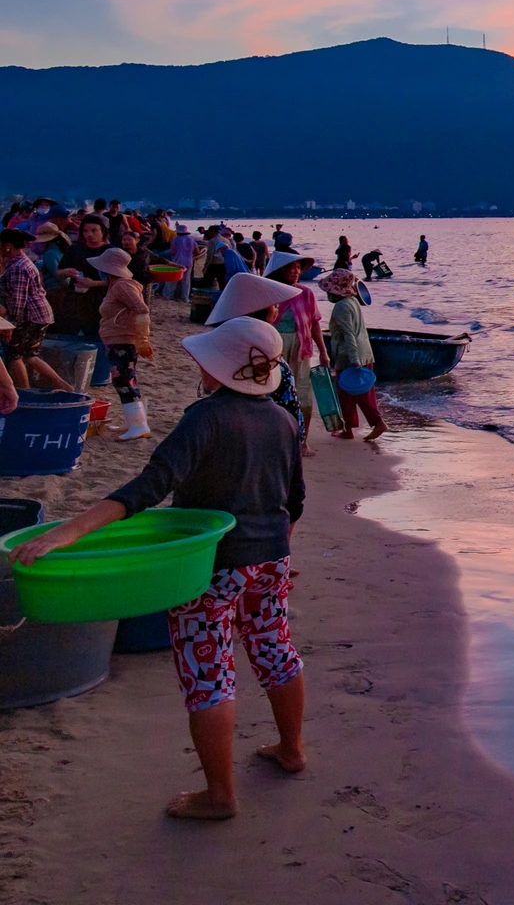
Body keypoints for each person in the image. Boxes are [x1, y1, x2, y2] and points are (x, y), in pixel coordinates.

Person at [10, 316, 306, 821]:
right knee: (274, 645)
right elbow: (293, 500)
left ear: (218, 368)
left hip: (211, 564)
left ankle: (219, 796)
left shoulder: (206, 418)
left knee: (208, 671)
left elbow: (149, 487)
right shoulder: (282, 419)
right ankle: (292, 749)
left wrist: (66, 531)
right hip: (270, 558)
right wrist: (276, 556)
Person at [206, 274, 311, 445]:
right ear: (259, 310)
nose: (277, 310)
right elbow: (290, 406)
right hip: (266, 435)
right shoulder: (271, 357)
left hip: (231, 432)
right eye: (275, 306)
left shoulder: (225, 348)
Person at [265, 252, 328, 455]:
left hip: (302, 346)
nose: (296, 271)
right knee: (274, 392)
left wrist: (323, 352)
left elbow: (315, 324)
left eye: (299, 268)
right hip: (275, 345)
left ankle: (302, 441)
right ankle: (273, 439)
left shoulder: (306, 293)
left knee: (303, 394)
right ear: (280, 270)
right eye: (291, 267)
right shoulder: (270, 292)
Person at [318, 269, 385, 441]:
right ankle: (352, 427)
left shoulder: (340, 307)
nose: (328, 294)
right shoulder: (352, 301)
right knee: (362, 392)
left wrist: (354, 360)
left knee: (347, 394)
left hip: (350, 356)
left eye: (329, 291)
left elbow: (349, 335)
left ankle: (367, 425)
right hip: (365, 352)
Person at [94, 247, 154, 441]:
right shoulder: (117, 285)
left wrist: (142, 339)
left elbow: (141, 308)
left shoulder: (122, 286)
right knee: (124, 380)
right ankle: (133, 422)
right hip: (117, 341)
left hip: (123, 341)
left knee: (124, 380)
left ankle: (139, 425)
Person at [0, 228, 68, 391]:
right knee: (30, 356)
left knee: (13, 356)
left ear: (8, 246)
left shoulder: (18, 266)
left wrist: (9, 325)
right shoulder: (18, 262)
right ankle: (62, 384)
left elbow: (18, 300)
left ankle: (24, 391)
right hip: (39, 314)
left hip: (30, 316)